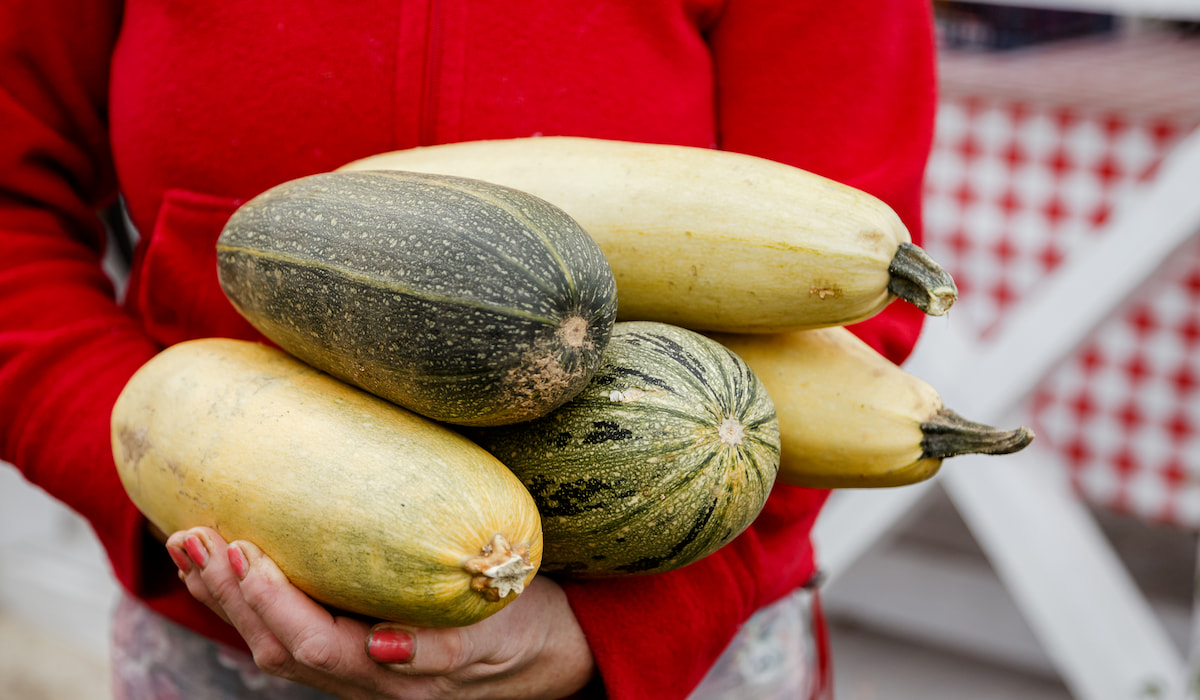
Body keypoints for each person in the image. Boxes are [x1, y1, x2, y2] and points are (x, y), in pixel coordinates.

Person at [0, 1, 937, 698]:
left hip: (663, 645)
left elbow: (842, 299)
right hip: (216, 626)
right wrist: (148, 470)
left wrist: (625, 630)